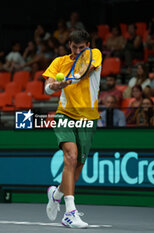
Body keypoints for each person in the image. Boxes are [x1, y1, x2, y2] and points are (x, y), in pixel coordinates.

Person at [43, 29, 102, 228]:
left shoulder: (95, 55)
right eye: (74, 47)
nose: (78, 51)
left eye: (82, 47)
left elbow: (86, 71)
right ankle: (70, 213)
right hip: (65, 115)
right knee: (70, 156)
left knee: (76, 170)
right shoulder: (59, 62)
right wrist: (55, 86)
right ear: (69, 45)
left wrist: (68, 81)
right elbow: (46, 86)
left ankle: (56, 193)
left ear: (88, 46)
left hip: (88, 117)